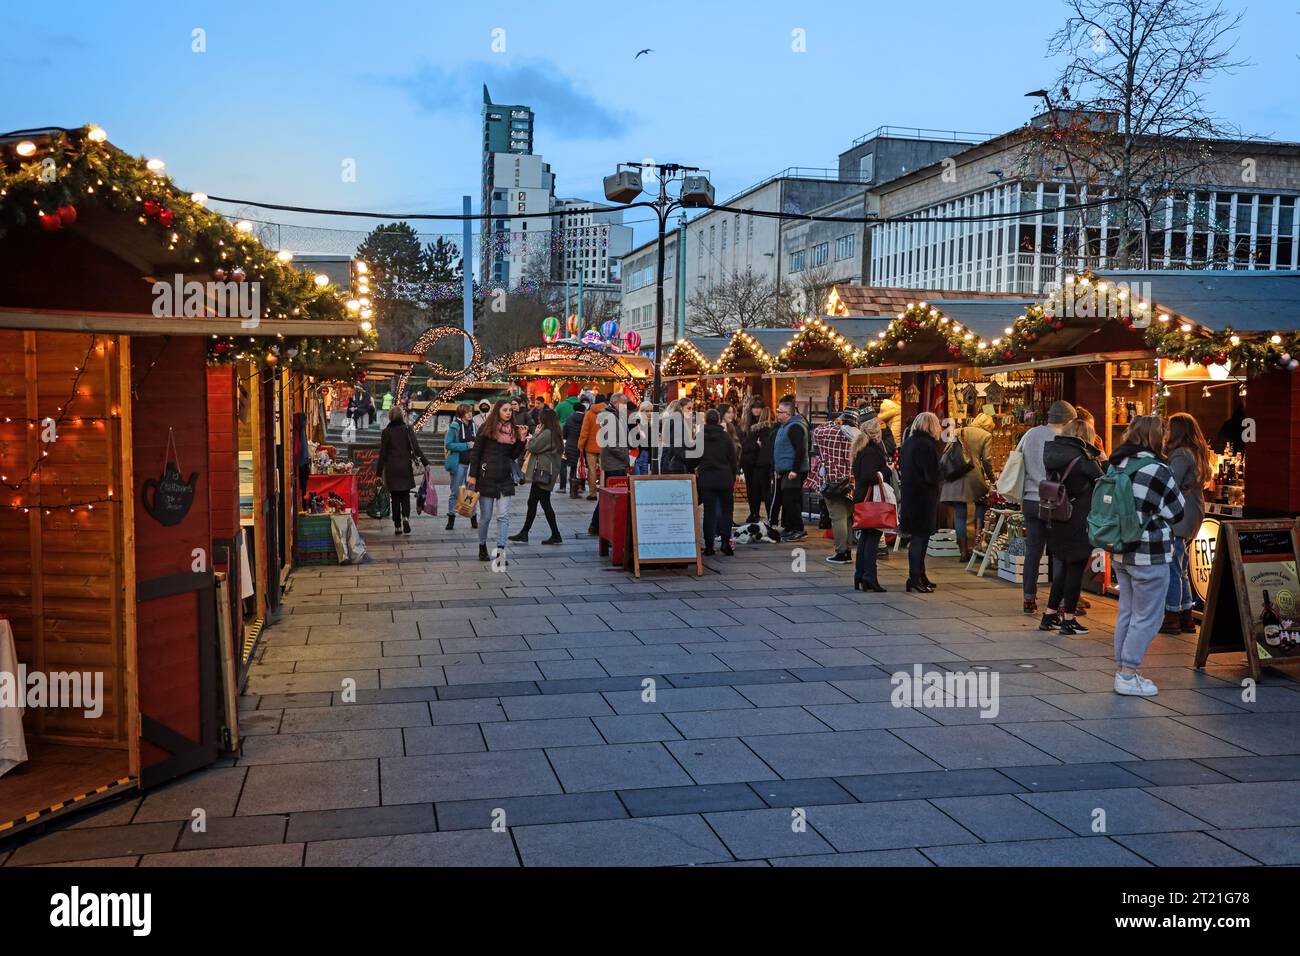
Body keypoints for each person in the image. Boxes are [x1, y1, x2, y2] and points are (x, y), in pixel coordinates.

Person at [1108, 415, 1186, 697]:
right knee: (1148, 616)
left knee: (1127, 612)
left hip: (1120, 550)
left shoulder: (1117, 464)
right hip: (1149, 551)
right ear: (1157, 437)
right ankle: (1128, 675)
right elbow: (1177, 511)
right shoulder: (1157, 469)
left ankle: (1123, 669)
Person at [1040, 418, 1104, 634]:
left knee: (1064, 567)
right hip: (1078, 517)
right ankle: (1068, 619)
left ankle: (1049, 615)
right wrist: (1101, 457)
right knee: (1075, 568)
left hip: (1057, 515)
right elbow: (1103, 479)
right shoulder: (1083, 457)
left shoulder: (1052, 453)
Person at [1015, 399, 1077, 615]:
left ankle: (1028, 599)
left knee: (1033, 551)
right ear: (1068, 420)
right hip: (1054, 500)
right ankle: (1058, 601)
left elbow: (1018, 458)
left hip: (1031, 499)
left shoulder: (1031, 434)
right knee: (1059, 551)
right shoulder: (1066, 438)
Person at [1162, 412, 1211, 635]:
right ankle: (1185, 617)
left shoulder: (1181, 454)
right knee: (1180, 568)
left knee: (1173, 567)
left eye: (1169, 428)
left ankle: (1172, 618)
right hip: (1192, 513)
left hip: (1179, 516)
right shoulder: (1197, 452)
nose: (1166, 432)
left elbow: (1171, 486)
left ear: (1179, 431)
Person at [467, 399, 526, 563]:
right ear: (497, 411)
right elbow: (476, 452)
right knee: (485, 517)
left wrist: (521, 441)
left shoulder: (513, 431)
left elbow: (512, 455)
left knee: (503, 516)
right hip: (486, 478)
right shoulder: (486, 429)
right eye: (505, 410)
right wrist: (473, 474)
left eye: (510, 410)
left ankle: (501, 551)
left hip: (505, 478)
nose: (508, 412)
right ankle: (482, 546)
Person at [940, 412, 995, 564]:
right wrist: (993, 480)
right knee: (981, 504)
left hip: (955, 476)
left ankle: (963, 551)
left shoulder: (958, 431)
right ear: (988, 426)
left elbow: (946, 453)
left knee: (960, 514)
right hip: (974, 478)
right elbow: (987, 461)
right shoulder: (986, 436)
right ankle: (977, 545)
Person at [898, 411, 943, 593]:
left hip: (910, 495)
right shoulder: (927, 445)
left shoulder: (909, 443)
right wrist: (945, 471)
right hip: (923, 498)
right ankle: (915, 577)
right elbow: (931, 475)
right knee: (919, 539)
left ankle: (920, 575)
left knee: (920, 538)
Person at [509, 407, 564, 545]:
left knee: (542, 504)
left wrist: (534, 435)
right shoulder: (554, 432)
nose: (538, 419)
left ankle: (553, 534)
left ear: (545, 419)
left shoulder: (547, 433)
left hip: (543, 473)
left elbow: (533, 447)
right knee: (534, 503)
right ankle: (526, 533)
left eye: (540, 417)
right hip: (545, 473)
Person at [851, 416, 893, 592]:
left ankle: (860, 575)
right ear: (876, 434)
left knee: (866, 538)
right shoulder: (871, 451)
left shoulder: (861, 449)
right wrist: (886, 470)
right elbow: (869, 476)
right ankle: (869, 576)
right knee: (872, 538)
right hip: (871, 500)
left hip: (863, 498)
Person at [813, 408, 858, 564]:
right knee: (848, 517)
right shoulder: (857, 436)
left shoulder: (830, 433)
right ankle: (847, 551)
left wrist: (833, 422)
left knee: (837, 517)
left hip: (833, 481)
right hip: (851, 481)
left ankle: (841, 552)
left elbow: (817, 431)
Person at [377, 405, 427, 536]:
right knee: (405, 495)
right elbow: (416, 448)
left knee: (395, 497)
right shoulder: (407, 429)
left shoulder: (386, 432)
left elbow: (382, 453)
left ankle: (397, 526)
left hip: (391, 468)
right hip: (405, 466)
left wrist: (378, 472)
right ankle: (406, 517)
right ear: (402, 415)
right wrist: (425, 463)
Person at [694, 408, 738, 556]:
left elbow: (694, 458)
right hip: (724, 478)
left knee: (709, 513)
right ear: (719, 420)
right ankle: (726, 542)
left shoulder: (700, 436)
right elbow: (733, 459)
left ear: (706, 420)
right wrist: (733, 476)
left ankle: (709, 546)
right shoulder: (725, 437)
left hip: (707, 479)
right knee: (727, 511)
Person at [589, 393, 630, 535]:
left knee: (609, 497)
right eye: (624, 402)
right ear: (615, 402)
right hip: (615, 463)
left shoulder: (614, 415)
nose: (625, 406)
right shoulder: (609, 416)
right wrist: (626, 457)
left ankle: (596, 525)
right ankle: (598, 525)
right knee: (613, 497)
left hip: (616, 462)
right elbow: (612, 443)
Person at [771, 396, 809, 542]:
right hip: (785, 469)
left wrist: (794, 470)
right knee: (788, 500)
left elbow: (800, 450)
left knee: (790, 500)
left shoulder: (795, 427)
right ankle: (790, 527)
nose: (777, 413)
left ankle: (798, 529)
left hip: (793, 470)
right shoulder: (785, 426)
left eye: (779, 411)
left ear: (787, 414)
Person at [443, 403, 478, 531]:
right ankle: (451, 518)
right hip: (459, 464)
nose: (470, 414)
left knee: (471, 492)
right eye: (467, 412)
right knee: (455, 492)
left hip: (471, 465)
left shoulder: (474, 426)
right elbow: (448, 444)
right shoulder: (455, 426)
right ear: (462, 414)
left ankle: (473, 516)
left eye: (471, 412)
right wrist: (466, 446)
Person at [740, 405, 774, 525]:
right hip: (752, 462)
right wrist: (755, 446)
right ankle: (759, 514)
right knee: (756, 490)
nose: (756, 409)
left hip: (759, 463)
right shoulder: (748, 426)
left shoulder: (762, 427)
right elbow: (743, 446)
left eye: (759, 407)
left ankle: (762, 515)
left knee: (761, 490)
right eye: (754, 407)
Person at [579, 393, 608, 499]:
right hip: (604, 446)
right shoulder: (609, 413)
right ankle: (604, 491)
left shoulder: (589, 414)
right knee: (603, 469)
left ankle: (592, 493)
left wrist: (581, 445)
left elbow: (584, 431)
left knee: (591, 470)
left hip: (590, 447)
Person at [660, 398, 694, 474]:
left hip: (671, 462)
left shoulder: (677, 419)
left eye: (692, 409)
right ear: (681, 408)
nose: (691, 411)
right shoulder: (677, 420)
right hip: (675, 464)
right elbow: (678, 447)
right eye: (688, 408)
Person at [563, 400, 587, 498]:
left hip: (570, 444)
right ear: (583, 409)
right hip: (582, 446)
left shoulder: (569, 419)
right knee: (582, 466)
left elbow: (565, 433)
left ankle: (572, 491)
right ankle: (579, 488)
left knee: (573, 467)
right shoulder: (586, 418)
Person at [630, 400, 655, 476]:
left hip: (646, 454)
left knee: (644, 480)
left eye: (651, 411)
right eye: (647, 411)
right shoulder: (635, 421)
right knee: (636, 480)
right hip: (637, 454)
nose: (650, 413)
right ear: (641, 411)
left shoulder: (651, 423)